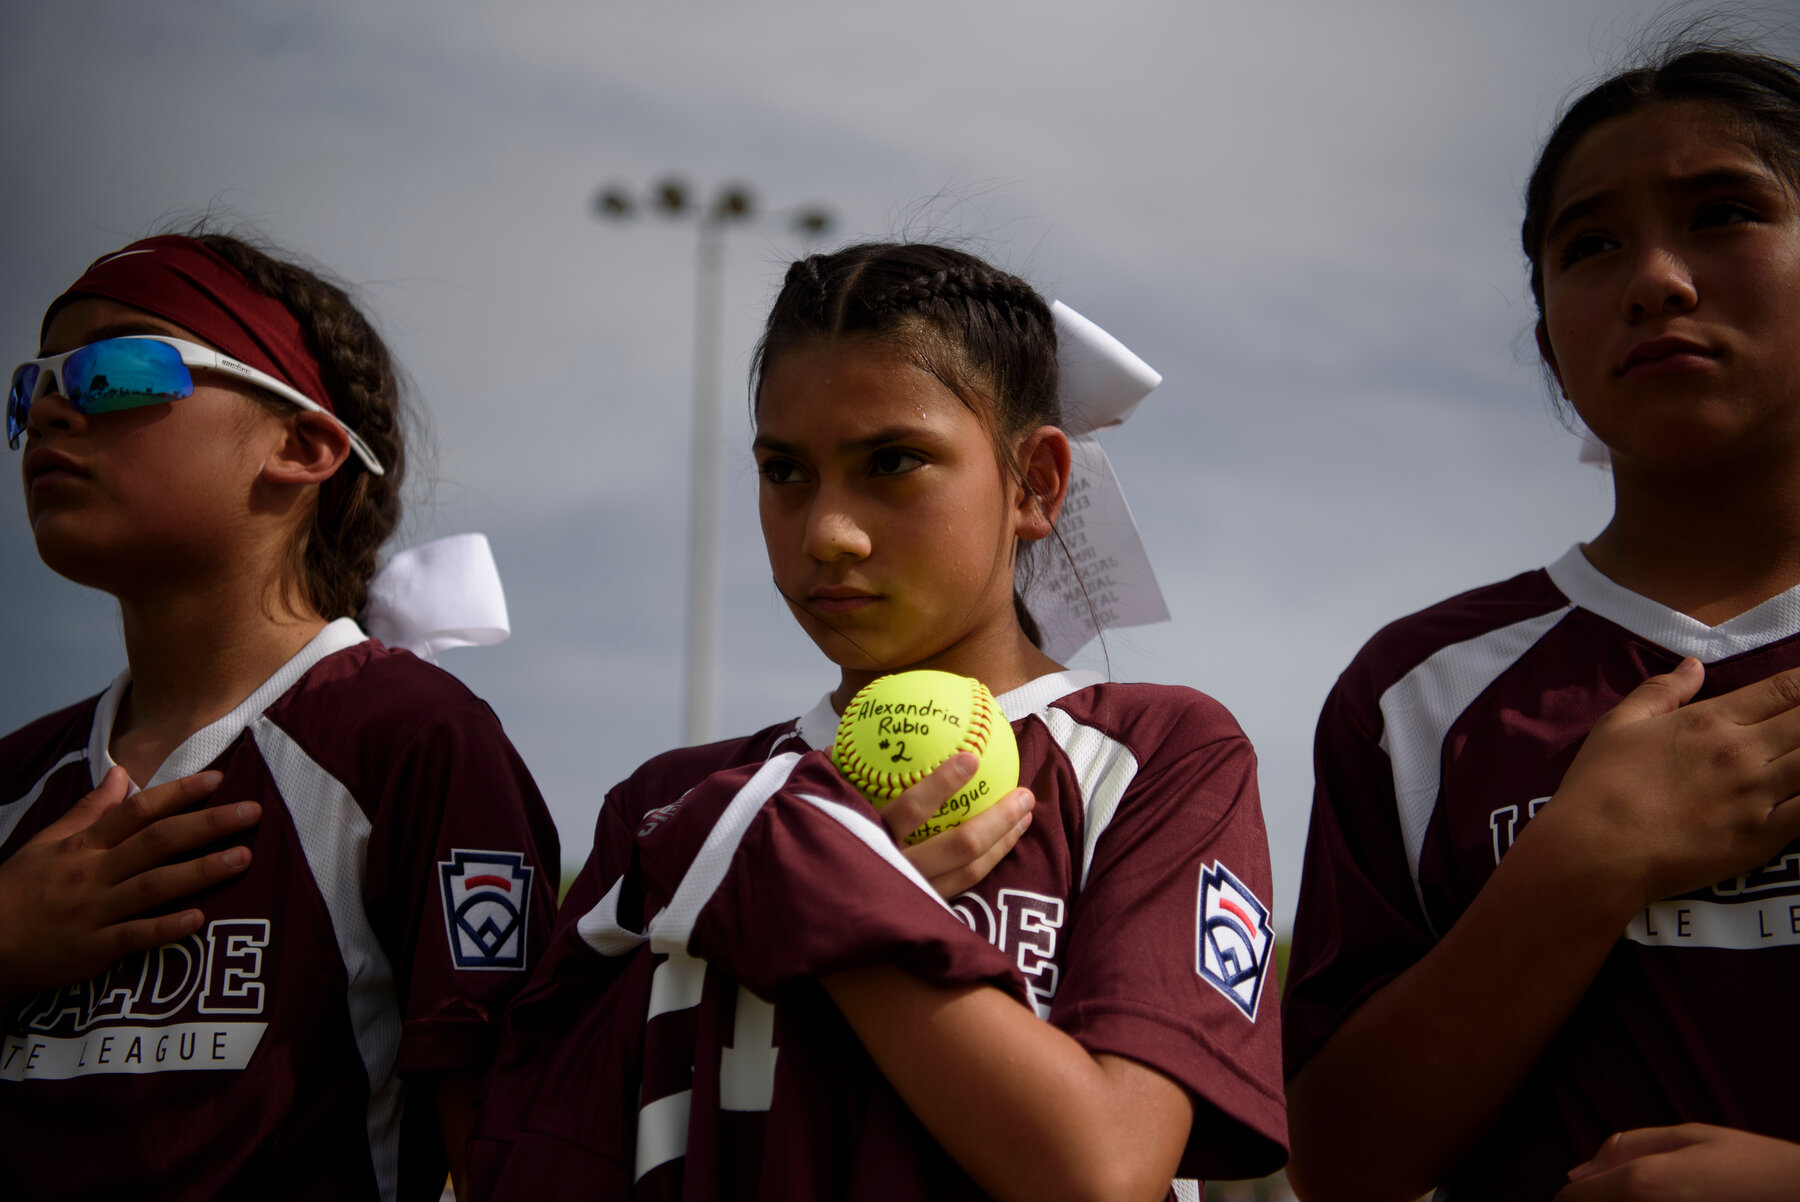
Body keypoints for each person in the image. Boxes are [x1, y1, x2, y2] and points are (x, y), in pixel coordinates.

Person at [468, 242, 1287, 1201]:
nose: (827, 532)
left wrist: (817, 886)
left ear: (1037, 484)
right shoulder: (668, 810)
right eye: (785, 472)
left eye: (894, 462)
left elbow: (1100, 1171)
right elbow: (523, 1159)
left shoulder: (1159, 757)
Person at [1282, 42, 1800, 1202]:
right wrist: (1581, 860)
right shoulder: (1416, 695)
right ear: (1553, 345)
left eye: (1724, 212)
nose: (1655, 279)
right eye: (1590, 244)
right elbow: (1340, 1160)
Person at [0, 232, 560, 1201]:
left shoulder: (410, 736)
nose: (52, 406)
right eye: (29, 386)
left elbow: (508, 1141)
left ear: (302, 445)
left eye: (117, 370)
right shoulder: (17, 779)